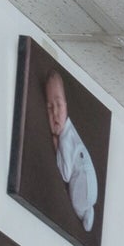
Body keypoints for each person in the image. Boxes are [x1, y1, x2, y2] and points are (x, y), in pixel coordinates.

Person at [43, 68, 100, 236]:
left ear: (66, 107)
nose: (55, 113)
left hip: (83, 193)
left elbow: (66, 174)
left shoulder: (66, 140)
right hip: (91, 190)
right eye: (49, 107)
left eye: (59, 105)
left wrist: (56, 145)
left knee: (79, 206)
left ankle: (85, 214)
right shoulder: (71, 133)